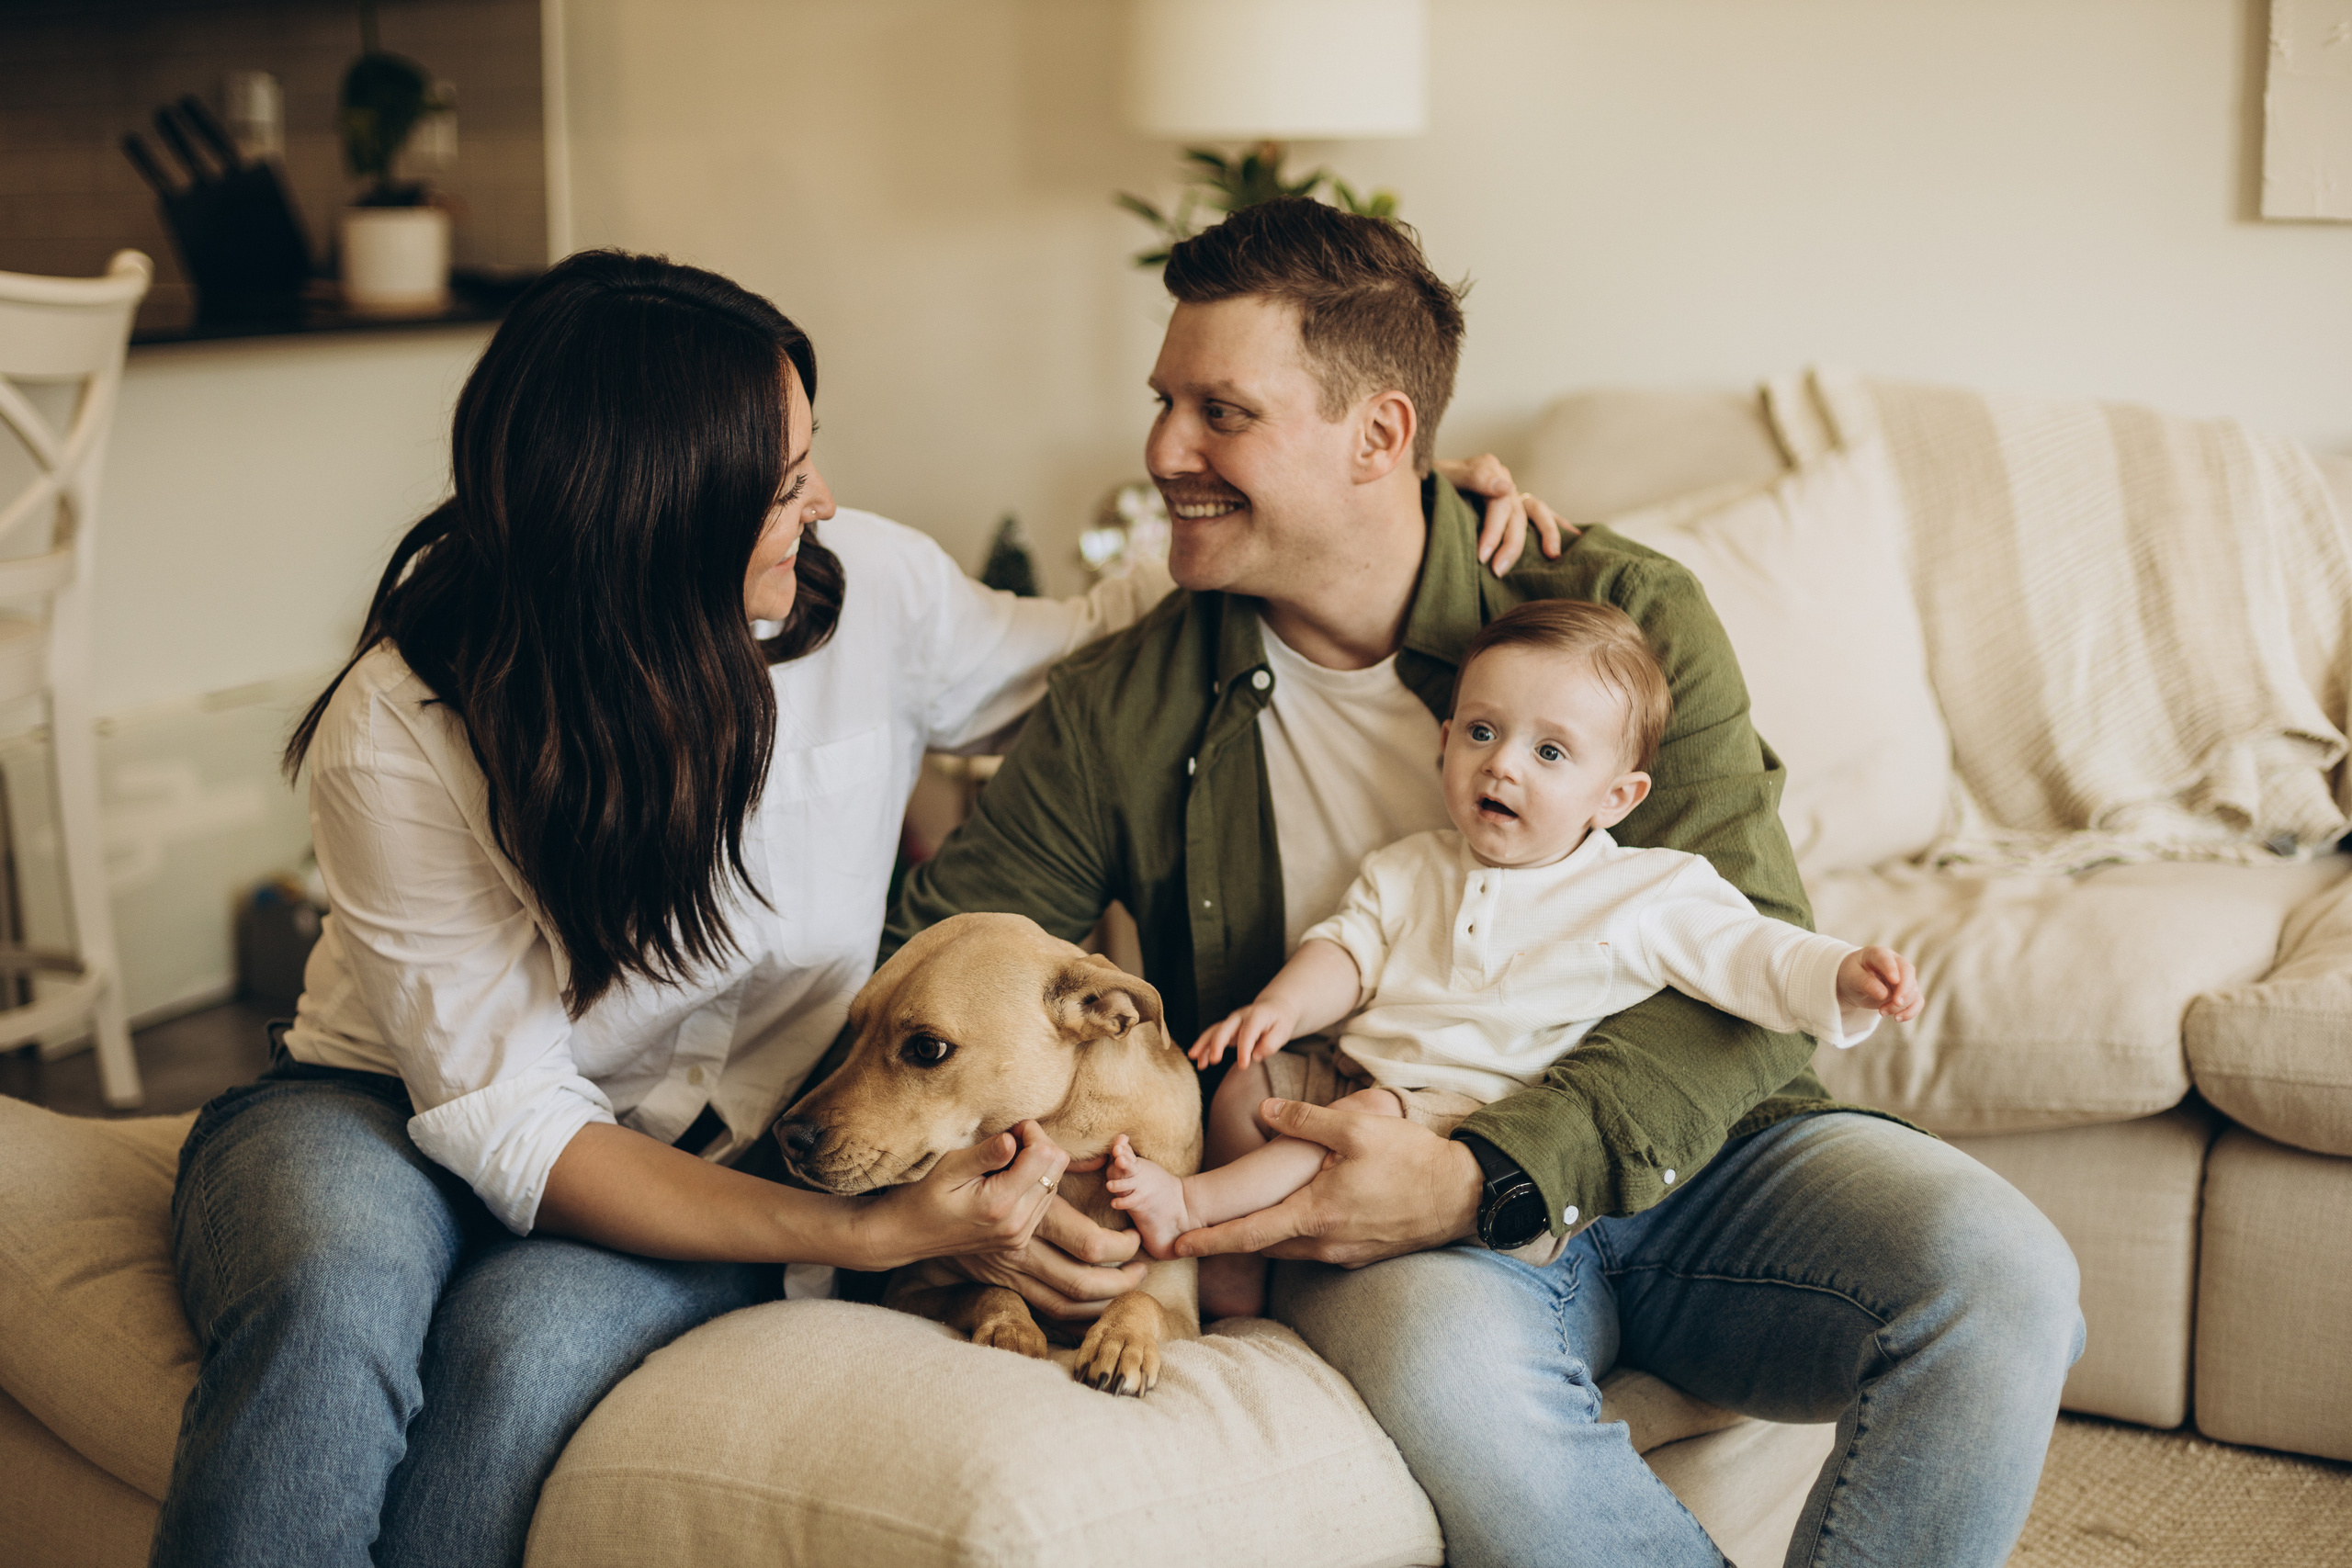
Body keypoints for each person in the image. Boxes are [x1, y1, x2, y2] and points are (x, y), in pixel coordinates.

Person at [147, 248, 1558, 1568]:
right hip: (375, 1105)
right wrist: (877, 1234)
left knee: (517, 1354)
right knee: (329, 1301)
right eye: (784, 484)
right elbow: (510, 1119)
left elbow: (1089, 636)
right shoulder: (404, 723)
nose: (821, 504)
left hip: (724, 1143)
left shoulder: (868, 588)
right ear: (652, 524)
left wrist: (1395, 505)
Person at [880, 197, 2085, 1567]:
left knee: (2004, 1270)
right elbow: (926, 968)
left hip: (1693, 1163)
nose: (1162, 452)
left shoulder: (1622, 614)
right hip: (1369, 1211)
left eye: (1222, 411)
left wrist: (1480, 1172)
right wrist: (989, 1203)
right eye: (1164, 402)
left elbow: (1748, 959)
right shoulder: (1126, 704)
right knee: (1450, 1379)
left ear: (1383, 436)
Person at [1102, 599, 1924, 1317]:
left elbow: (1750, 953)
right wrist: (1278, 1009)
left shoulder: (1645, 890)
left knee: (1355, 1128)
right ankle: (1238, 1282)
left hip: (1470, 1116)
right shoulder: (1411, 866)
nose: (1502, 763)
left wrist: (1842, 974)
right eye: (1483, 732)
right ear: (1446, 742)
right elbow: (1346, 951)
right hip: (1355, 1068)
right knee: (1247, 1084)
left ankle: (1190, 1210)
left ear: (1617, 797)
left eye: (1551, 753)